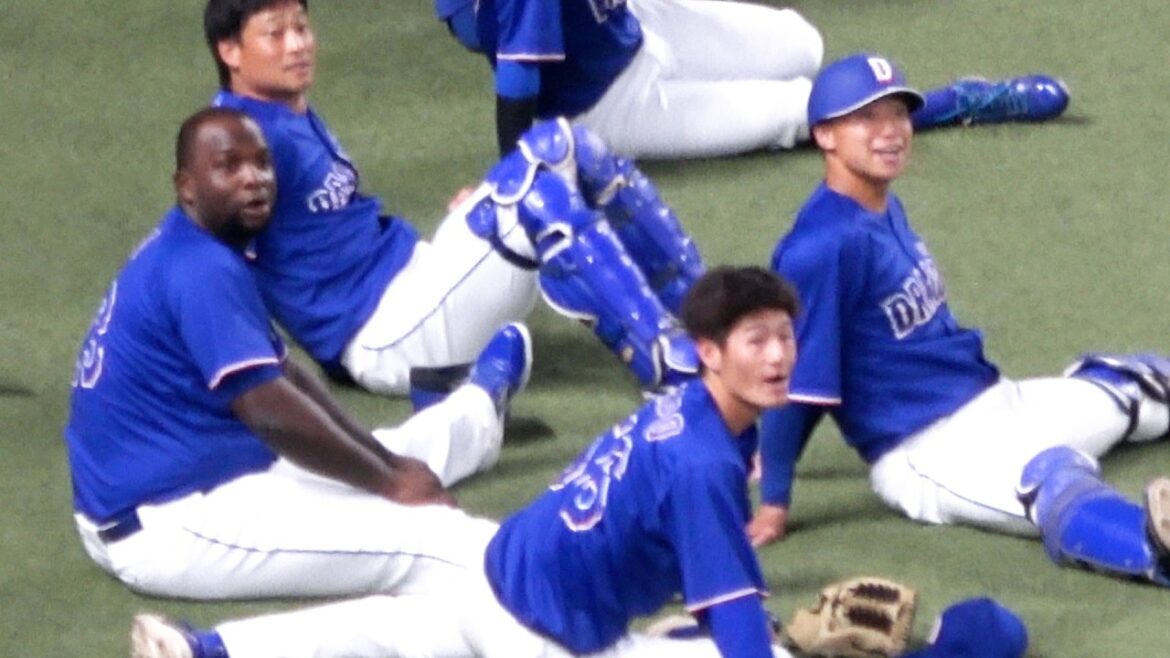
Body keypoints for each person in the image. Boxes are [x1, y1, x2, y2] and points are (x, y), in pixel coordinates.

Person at [129, 265, 803, 658]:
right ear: (709, 351)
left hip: (498, 562)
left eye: (783, 338)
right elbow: (739, 629)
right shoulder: (704, 463)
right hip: (549, 638)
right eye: (755, 341)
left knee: (398, 628)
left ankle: (210, 650)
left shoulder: (689, 407)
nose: (776, 357)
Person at [65, 107, 530, 602]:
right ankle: (543, 576)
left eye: (262, 164)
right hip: (168, 522)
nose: (254, 179)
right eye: (230, 166)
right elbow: (270, 412)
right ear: (186, 185)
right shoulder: (198, 270)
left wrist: (389, 468)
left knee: (386, 451)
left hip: (215, 471)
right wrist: (391, 482)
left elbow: (283, 374)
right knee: (422, 539)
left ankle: (478, 409)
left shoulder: (200, 243)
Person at [750, 52, 1170, 588]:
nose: (890, 132)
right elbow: (804, 384)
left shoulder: (878, 204)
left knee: (1133, 384)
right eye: (867, 119)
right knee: (1052, 481)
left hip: (998, 402)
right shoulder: (820, 248)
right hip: (930, 450)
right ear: (826, 136)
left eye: (898, 115)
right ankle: (1154, 550)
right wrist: (775, 499)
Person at [204, 0, 703, 398]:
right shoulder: (239, 142)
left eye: (302, 27)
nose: (298, 45)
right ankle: (674, 372)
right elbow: (212, 252)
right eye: (275, 33)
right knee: (536, 194)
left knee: (564, 146)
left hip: (416, 282)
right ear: (230, 50)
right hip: (383, 335)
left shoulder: (280, 110)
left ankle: (705, 307)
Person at [434, 0, 1071, 160]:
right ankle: (953, 103)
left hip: (642, 23)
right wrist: (515, 193)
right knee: (805, 108)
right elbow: (516, 98)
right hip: (605, 103)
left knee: (802, 42)